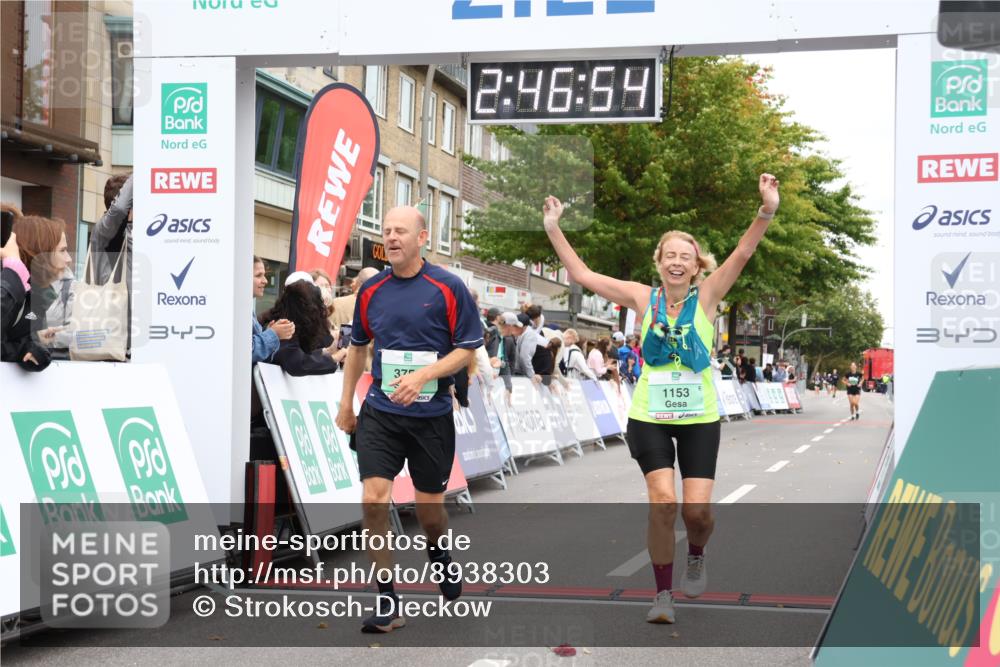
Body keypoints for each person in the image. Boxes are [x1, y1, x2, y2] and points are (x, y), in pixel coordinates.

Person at [541, 174, 780, 624]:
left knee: (697, 512)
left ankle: (696, 551)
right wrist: (554, 227)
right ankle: (662, 595)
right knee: (663, 502)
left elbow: (743, 253)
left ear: (695, 267)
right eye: (669, 255)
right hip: (649, 414)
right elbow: (583, 275)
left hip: (698, 418)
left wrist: (766, 209)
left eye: (684, 257)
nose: (676, 262)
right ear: (659, 262)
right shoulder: (641, 297)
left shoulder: (708, 297)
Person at [334, 206, 482, 634]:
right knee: (374, 499)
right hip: (381, 410)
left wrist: (424, 375)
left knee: (430, 514)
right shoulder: (371, 290)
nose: (392, 237)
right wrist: (347, 402)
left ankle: (439, 554)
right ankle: (387, 600)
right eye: (386, 230)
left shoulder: (447, 287)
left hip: (431, 416)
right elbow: (358, 348)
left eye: (401, 230)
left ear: (422, 238)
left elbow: (467, 349)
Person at [1, 213, 73, 372]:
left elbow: (26, 345)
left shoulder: (40, 293)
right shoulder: (7, 283)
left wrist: (37, 348)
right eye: (62, 250)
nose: (69, 259)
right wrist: (12, 276)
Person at [260, 277, 338, 376]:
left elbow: (307, 353)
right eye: (319, 306)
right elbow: (297, 362)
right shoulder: (284, 326)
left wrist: (328, 351)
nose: (322, 312)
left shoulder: (298, 324)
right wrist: (334, 358)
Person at [251, 257, 294, 364]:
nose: (265, 281)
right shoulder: (235, 311)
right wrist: (273, 334)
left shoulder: (246, 309)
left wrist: (268, 333)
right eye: (258, 275)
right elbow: (245, 350)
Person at [513, 311, 544, 383]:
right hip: (518, 374)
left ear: (524, 326)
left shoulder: (528, 335)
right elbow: (525, 357)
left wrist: (531, 375)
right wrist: (531, 375)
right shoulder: (528, 334)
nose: (515, 327)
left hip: (518, 373)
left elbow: (524, 357)